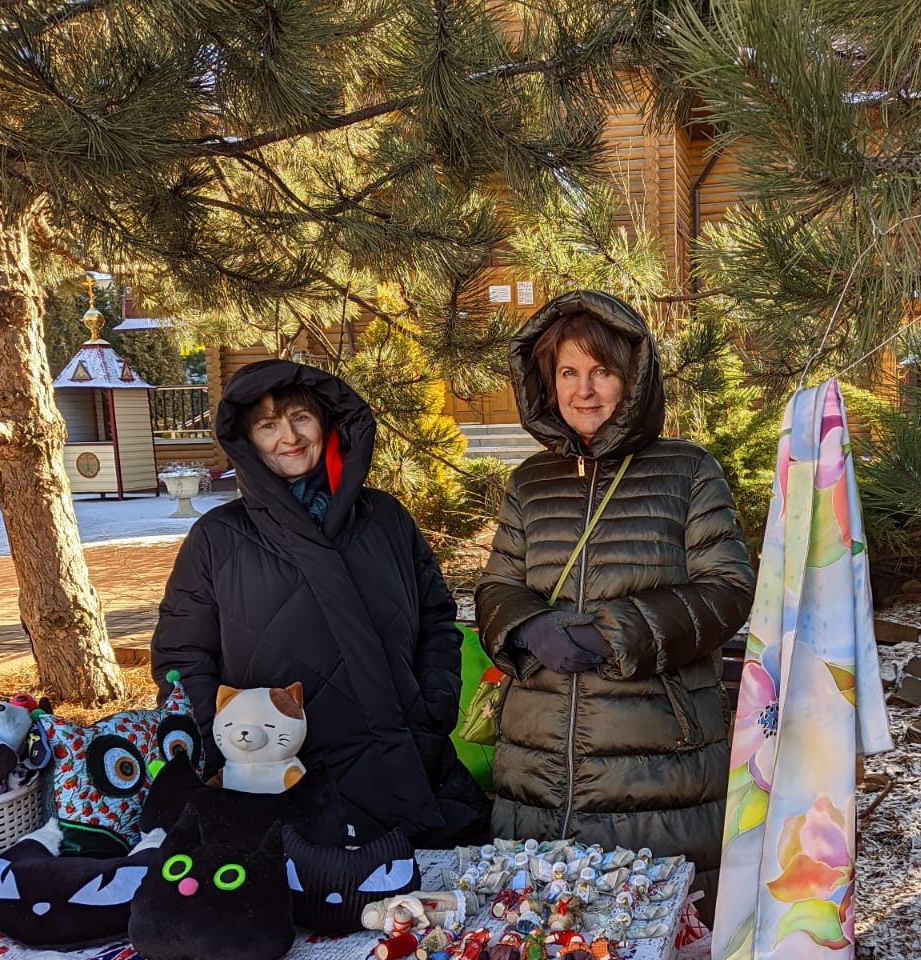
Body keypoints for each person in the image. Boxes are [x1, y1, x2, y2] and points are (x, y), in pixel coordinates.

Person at [475, 291, 755, 904]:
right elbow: (498, 584)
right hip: (537, 759)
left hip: (657, 766)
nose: (584, 391)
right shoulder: (530, 482)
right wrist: (525, 627)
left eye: (601, 371)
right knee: (537, 932)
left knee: (648, 932)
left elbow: (728, 588)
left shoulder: (689, 470)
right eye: (567, 373)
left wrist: (617, 632)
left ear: (634, 378)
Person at [152, 360, 488, 847]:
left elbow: (436, 620)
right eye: (268, 425)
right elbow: (183, 657)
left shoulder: (386, 519)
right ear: (248, 441)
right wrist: (224, 744)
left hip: (409, 763)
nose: (288, 436)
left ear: (327, 423)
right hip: (278, 786)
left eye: (300, 417)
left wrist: (433, 708)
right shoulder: (218, 538)